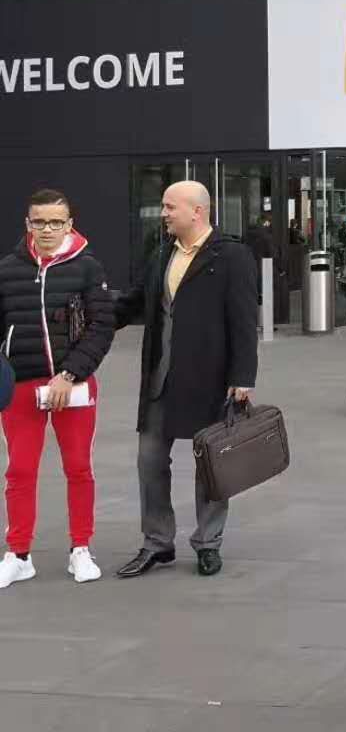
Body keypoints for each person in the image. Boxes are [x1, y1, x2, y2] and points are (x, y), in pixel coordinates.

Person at [113, 181, 257, 580]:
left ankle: (208, 543)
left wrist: (243, 376)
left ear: (198, 211)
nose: (163, 213)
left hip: (211, 379)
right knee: (149, 461)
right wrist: (91, 322)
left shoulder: (232, 256)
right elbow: (133, 302)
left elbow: (244, 320)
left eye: (169, 206)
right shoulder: (161, 253)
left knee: (211, 464)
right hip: (160, 378)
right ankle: (157, 543)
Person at [0, 189, 114, 589]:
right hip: (22, 384)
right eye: (39, 222)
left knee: (78, 467)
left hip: (74, 384)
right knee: (19, 470)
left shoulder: (88, 267)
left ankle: (80, 549)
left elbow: (102, 327)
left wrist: (69, 374)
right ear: (28, 224)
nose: (47, 229)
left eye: (55, 222)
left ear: (69, 224)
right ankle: (18, 555)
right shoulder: (7, 269)